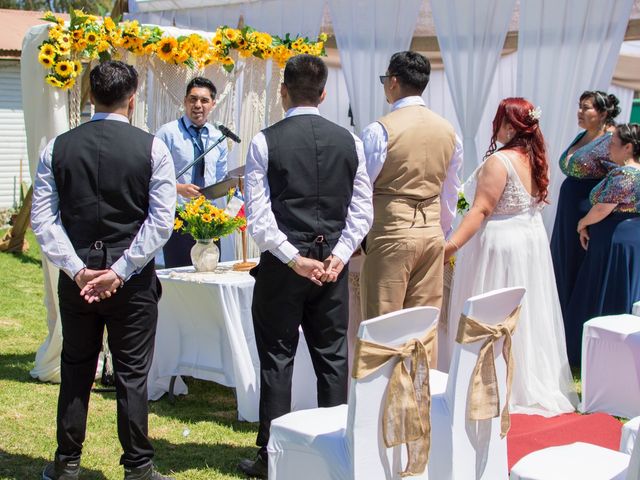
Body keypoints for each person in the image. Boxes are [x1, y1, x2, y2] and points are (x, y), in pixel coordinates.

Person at [31, 61, 176, 480]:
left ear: (90, 96)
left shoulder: (56, 147)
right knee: (132, 373)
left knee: (77, 366)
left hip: (80, 280)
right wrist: (121, 270)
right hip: (130, 283)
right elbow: (160, 222)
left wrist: (78, 270)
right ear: (133, 99)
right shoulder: (153, 148)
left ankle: (67, 462)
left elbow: (44, 220)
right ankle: (138, 467)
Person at [237, 54, 373, 479]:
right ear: (324, 94)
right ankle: (336, 451)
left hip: (284, 267)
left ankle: (272, 456)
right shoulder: (349, 140)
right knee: (332, 357)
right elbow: (362, 209)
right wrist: (340, 252)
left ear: (283, 92)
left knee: (278, 357)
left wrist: (294, 258)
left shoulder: (264, 140)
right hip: (331, 264)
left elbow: (258, 218)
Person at [444, 98, 577, 415]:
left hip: (501, 246)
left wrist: (448, 247)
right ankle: (523, 378)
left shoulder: (500, 161)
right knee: (526, 316)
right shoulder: (533, 158)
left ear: (507, 124)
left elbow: (481, 210)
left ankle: (493, 381)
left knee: (493, 314)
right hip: (529, 243)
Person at [360, 51, 462, 323]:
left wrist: (358, 236)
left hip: (391, 229)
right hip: (431, 232)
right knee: (423, 324)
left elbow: (361, 190)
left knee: (382, 322)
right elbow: (451, 190)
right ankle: (420, 368)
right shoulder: (449, 130)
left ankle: (384, 368)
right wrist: (441, 230)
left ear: (393, 81)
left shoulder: (379, 130)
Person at [566, 123, 640, 364]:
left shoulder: (625, 174)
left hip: (613, 238)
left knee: (604, 288)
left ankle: (593, 353)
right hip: (630, 238)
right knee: (624, 288)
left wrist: (581, 223)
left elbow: (602, 208)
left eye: (614, 142)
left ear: (628, 147)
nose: (608, 147)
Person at [550, 91, 620, 326]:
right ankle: (558, 320)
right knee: (562, 261)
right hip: (567, 212)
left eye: (586, 107)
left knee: (578, 267)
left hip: (587, 214)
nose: (580, 111)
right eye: (579, 106)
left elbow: (617, 179)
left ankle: (573, 325)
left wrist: (592, 218)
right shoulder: (583, 135)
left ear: (602, 113)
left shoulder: (611, 140)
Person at [155, 76, 228, 268]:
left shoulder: (218, 136)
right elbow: (151, 175)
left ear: (213, 103)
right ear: (185, 102)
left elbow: (220, 177)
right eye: (193, 99)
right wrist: (179, 188)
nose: (198, 105)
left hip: (208, 218)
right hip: (178, 217)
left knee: (208, 274)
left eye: (204, 100)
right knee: (179, 276)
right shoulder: (168, 133)